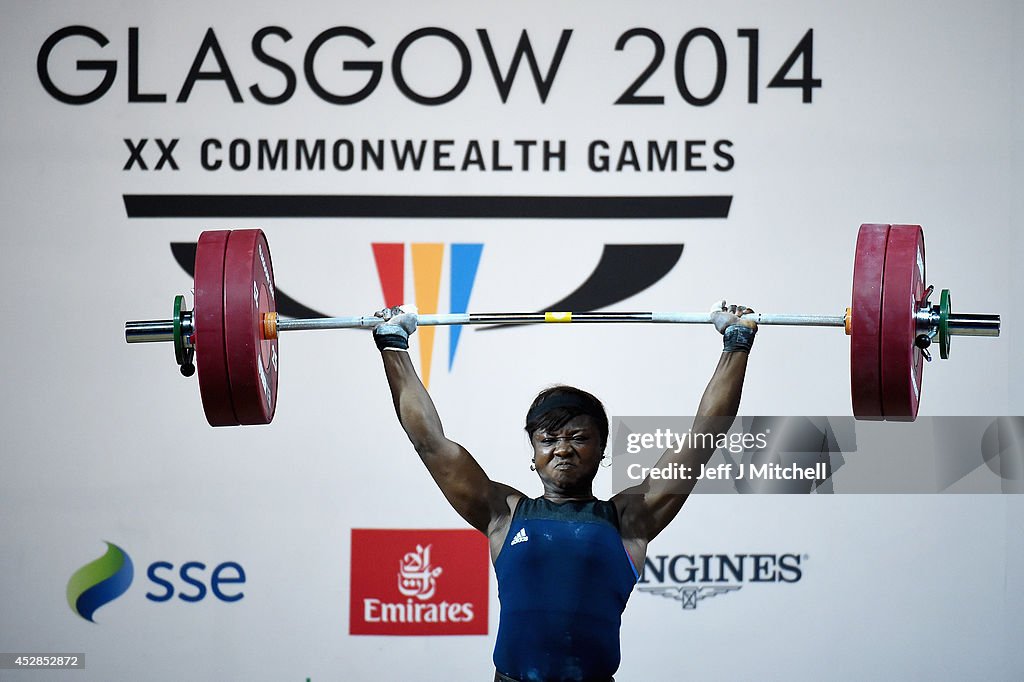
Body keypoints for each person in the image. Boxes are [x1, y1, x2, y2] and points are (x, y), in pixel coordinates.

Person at [372, 303, 757, 682]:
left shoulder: (629, 518)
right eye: (549, 438)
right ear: (534, 454)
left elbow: (704, 437)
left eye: (578, 437)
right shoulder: (502, 513)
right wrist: (394, 346)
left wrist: (736, 344)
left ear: (602, 449)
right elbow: (429, 442)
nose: (562, 448)